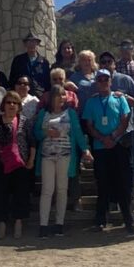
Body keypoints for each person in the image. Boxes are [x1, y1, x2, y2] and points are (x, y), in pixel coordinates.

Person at [81, 68, 134, 234]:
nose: (103, 82)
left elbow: (125, 120)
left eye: (106, 79)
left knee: (123, 184)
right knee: (103, 183)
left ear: (110, 81)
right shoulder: (91, 102)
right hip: (100, 147)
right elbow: (89, 125)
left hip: (119, 146)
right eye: (100, 80)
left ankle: (129, 220)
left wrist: (112, 137)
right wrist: (102, 138)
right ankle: (101, 220)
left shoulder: (119, 98)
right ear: (96, 82)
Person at [33, 85, 91, 238]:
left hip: (65, 155)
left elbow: (77, 132)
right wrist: (46, 132)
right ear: (52, 98)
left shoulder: (70, 113)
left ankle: (59, 223)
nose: (62, 98)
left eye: (63, 95)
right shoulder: (43, 114)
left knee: (62, 189)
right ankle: (43, 225)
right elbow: (36, 133)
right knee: (47, 190)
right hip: (47, 156)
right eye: (58, 95)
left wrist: (85, 149)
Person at [0, 91, 36, 239]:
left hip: (20, 163)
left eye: (15, 102)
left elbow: (31, 142)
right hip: (1, 164)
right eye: (9, 102)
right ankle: (2, 223)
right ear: (3, 105)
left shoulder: (24, 121)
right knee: (0, 195)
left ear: (19, 106)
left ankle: (18, 222)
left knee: (20, 194)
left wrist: (31, 160)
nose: (12, 105)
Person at [98, 50, 134, 182]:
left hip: (126, 128)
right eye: (103, 62)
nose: (106, 64)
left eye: (109, 62)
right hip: (105, 130)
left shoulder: (125, 80)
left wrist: (124, 96)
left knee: (130, 156)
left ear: (114, 64)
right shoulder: (97, 81)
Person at [9, 32, 51, 97]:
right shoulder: (18, 60)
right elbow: (12, 79)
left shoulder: (44, 62)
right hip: (21, 95)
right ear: (25, 44)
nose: (31, 44)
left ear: (37, 44)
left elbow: (47, 81)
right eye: (29, 42)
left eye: (34, 42)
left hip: (39, 95)